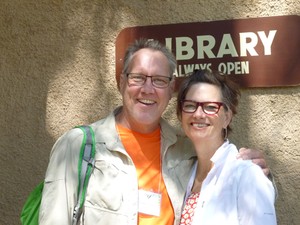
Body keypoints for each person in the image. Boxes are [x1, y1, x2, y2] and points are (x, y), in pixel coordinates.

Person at [39, 39, 271, 225]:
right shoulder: (79, 145)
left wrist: (260, 175)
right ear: (122, 82)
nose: (147, 89)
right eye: (138, 77)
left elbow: (231, 186)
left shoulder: (186, 149)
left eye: (159, 80)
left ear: (171, 89)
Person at [176, 69, 277, 225]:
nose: (198, 114)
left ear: (227, 118)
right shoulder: (182, 173)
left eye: (210, 107)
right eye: (190, 105)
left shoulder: (247, 174)